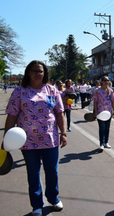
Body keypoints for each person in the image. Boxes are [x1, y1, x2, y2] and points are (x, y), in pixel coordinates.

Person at [4, 60, 67, 216]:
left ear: (44, 73)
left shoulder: (52, 90)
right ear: (28, 73)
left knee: (52, 171)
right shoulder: (19, 92)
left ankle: (53, 197)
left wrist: (63, 133)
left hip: (50, 140)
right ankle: (36, 205)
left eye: (41, 71)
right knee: (33, 173)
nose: (38, 74)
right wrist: (6, 138)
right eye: (34, 71)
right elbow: (12, 116)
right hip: (28, 141)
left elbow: (59, 113)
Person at [93, 76, 114, 150]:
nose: (107, 82)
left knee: (107, 128)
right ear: (102, 81)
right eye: (105, 80)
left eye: (108, 80)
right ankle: (101, 144)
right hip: (100, 112)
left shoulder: (110, 91)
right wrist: (95, 112)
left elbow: (113, 101)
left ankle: (106, 142)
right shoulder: (97, 91)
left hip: (108, 112)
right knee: (102, 128)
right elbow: (95, 102)